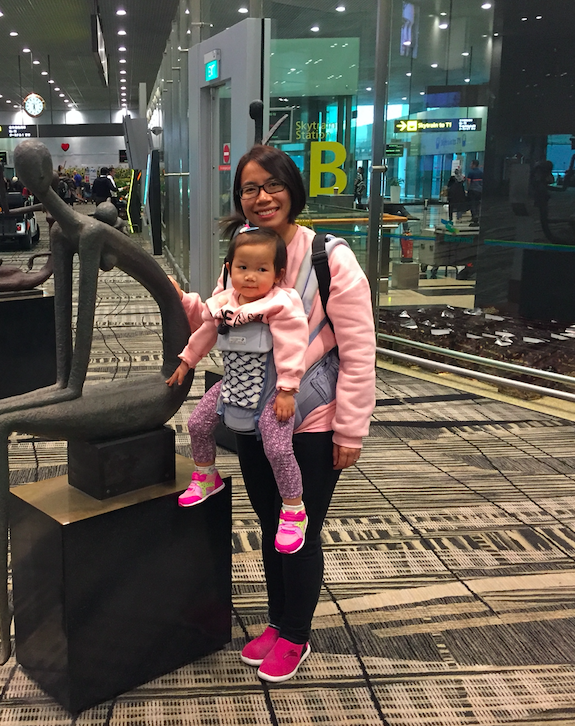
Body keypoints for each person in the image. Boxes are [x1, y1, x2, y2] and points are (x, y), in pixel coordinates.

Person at [173, 144, 376, 684]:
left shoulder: (328, 257)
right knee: (270, 524)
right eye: (249, 188)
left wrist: (351, 428)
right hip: (250, 410)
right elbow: (221, 319)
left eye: (272, 185)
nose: (261, 197)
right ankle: (278, 621)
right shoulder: (243, 251)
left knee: (300, 528)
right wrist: (187, 304)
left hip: (310, 417)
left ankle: (296, 635)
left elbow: (359, 348)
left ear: (293, 190)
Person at [167, 228, 311, 556]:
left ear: (278, 274)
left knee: (278, 449)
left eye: (261, 269)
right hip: (231, 384)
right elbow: (206, 333)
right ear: (230, 269)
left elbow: (293, 347)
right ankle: (207, 475)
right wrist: (187, 361)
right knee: (197, 424)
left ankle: (294, 510)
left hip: (272, 391)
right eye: (243, 267)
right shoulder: (224, 305)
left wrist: (288, 390)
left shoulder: (280, 306)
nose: (250, 276)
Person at [466, 159, 484, 226]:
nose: (470, 165)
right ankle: (478, 216)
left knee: (472, 204)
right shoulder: (481, 172)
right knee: (478, 204)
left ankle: (474, 217)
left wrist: (468, 189)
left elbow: (468, 181)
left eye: (471, 164)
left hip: (473, 190)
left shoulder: (471, 172)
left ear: (474, 165)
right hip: (480, 191)